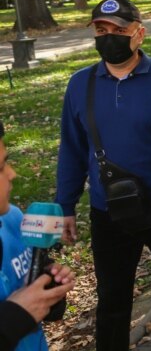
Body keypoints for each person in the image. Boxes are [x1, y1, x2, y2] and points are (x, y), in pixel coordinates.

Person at [56, 0, 151, 351]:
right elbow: (72, 150)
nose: (109, 37)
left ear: (138, 34)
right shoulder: (80, 85)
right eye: (101, 30)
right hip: (109, 210)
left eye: (118, 30)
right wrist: (65, 206)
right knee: (112, 297)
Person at [1, 120, 77, 351]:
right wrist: (14, 318)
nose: (12, 174)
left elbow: (40, 311)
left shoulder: (13, 220)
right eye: (1, 167)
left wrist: (48, 294)